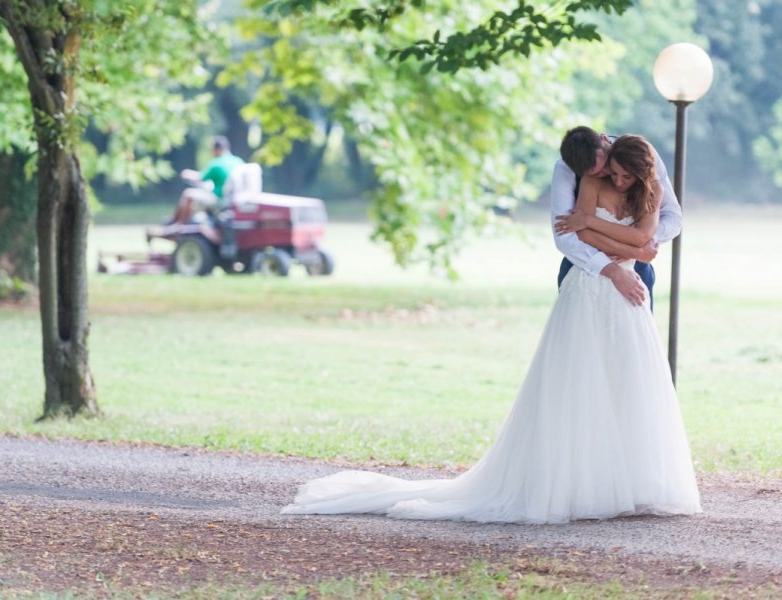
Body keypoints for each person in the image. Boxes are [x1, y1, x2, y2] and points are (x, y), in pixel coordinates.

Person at [281, 135, 701, 524]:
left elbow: (659, 229)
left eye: (611, 169)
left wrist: (617, 238)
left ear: (610, 147)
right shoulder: (575, 173)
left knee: (630, 375)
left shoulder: (643, 164)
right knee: (578, 378)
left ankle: (632, 480)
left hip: (631, 274)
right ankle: (578, 483)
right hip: (590, 275)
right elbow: (566, 236)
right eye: (601, 172)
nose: (610, 176)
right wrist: (612, 259)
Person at [553, 126, 682, 309]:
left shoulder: (642, 154)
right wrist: (615, 267)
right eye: (597, 174)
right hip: (586, 267)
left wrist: (645, 242)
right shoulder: (566, 170)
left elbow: (673, 217)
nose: (610, 176)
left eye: (606, 164)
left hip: (637, 268)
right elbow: (565, 236)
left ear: (604, 140)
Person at [170, 136, 245, 256]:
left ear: (217, 149)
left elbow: (200, 177)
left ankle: (179, 224)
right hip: (235, 200)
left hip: (220, 200)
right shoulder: (238, 161)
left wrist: (187, 173)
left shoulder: (216, 163)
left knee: (188, 194)